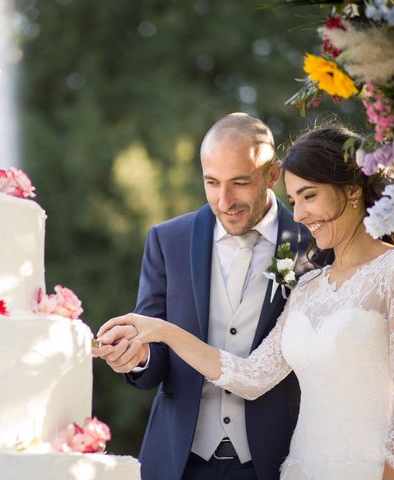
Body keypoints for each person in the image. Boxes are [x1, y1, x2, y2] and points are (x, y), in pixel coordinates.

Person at [96, 125, 394, 479]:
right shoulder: (308, 286)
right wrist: (160, 333)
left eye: (309, 196)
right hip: (289, 467)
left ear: (352, 190)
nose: (298, 214)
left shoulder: (387, 265)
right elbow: (251, 375)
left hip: (339, 466)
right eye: (212, 182)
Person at [94, 112, 314, 480]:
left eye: (240, 183)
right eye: (212, 182)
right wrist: (137, 356)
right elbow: (155, 353)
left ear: (273, 175)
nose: (224, 200)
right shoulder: (168, 240)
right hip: (179, 461)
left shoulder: (311, 241)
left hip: (275, 460)